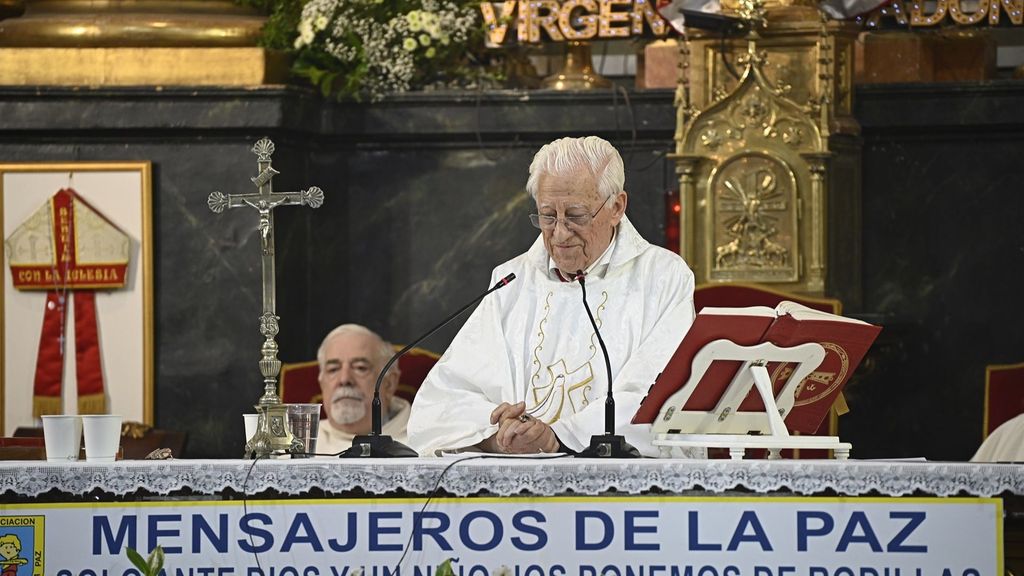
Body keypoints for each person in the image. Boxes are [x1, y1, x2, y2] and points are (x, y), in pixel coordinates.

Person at [407, 136, 695, 456]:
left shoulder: (663, 277)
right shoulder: (511, 281)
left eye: (576, 215)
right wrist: (498, 435)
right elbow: (448, 396)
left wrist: (557, 436)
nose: (559, 233)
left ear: (617, 207)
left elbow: (658, 396)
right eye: (547, 215)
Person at [315, 324, 409, 454]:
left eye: (360, 368)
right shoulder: (300, 443)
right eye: (333, 369)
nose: (344, 379)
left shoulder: (427, 441)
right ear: (322, 384)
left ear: (389, 384)